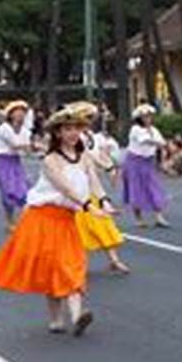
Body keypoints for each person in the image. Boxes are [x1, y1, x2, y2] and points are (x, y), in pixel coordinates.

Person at [0, 105, 104, 336]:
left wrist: (105, 201)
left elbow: (94, 181)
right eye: (67, 129)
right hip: (44, 217)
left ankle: (77, 315)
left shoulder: (84, 157)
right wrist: (88, 206)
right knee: (53, 267)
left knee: (73, 264)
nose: (73, 133)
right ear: (58, 133)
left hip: (67, 219)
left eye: (76, 128)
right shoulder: (51, 160)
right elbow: (65, 188)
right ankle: (57, 318)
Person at [67, 102, 131, 276]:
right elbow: (85, 156)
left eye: (91, 118)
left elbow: (96, 155)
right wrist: (106, 167)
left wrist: (109, 168)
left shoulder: (92, 136)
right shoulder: (71, 136)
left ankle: (114, 260)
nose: (90, 121)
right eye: (87, 117)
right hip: (71, 186)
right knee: (75, 227)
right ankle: (74, 263)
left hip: (88, 184)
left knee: (102, 222)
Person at [122, 104, 170, 229]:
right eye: (145, 116)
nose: (148, 119)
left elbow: (162, 142)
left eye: (149, 116)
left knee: (154, 187)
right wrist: (158, 143)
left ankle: (159, 216)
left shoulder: (154, 130)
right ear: (140, 118)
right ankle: (139, 218)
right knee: (136, 188)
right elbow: (144, 140)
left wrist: (160, 144)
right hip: (134, 162)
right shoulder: (136, 129)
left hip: (148, 162)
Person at [0, 100, 34, 232]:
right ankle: (10, 221)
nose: (20, 115)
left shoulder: (25, 131)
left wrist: (33, 148)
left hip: (15, 161)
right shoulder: (4, 128)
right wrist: (33, 146)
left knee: (24, 190)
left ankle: (25, 221)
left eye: (23, 112)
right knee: (9, 192)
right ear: (11, 114)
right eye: (17, 112)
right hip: (3, 162)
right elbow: (15, 144)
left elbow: (26, 150)